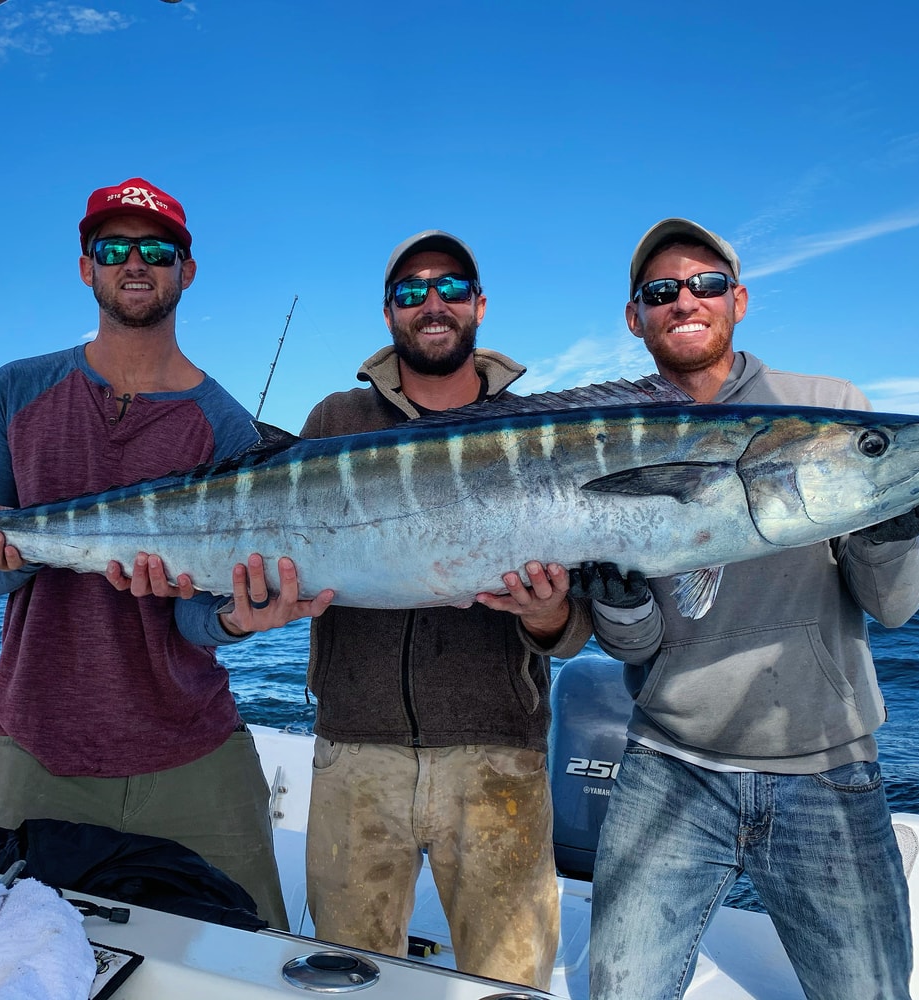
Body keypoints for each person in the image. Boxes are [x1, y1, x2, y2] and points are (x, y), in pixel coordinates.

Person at [0, 177, 333, 930]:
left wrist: (236, 621)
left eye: (156, 249)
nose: (135, 262)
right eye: (113, 247)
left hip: (192, 743)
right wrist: (13, 555)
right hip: (32, 740)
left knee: (256, 953)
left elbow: (196, 618)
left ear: (185, 271)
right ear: (86, 266)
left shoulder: (227, 427)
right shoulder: (13, 389)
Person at [586, 217, 919, 1000]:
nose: (686, 300)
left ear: (738, 300)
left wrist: (887, 536)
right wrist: (620, 606)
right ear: (636, 315)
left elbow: (897, 608)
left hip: (828, 769)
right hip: (669, 764)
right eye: (662, 290)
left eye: (707, 284)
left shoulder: (830, 407)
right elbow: (637, 643)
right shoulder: (607, 433)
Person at [300, 230, 592, 989]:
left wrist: (545, 615)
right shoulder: (335, 419)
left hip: (500, 758)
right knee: (345, 978)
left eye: (450, 288)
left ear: (479, 305)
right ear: (389, 314)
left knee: (511, 983)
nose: (432, 304)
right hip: (353, 755)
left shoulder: (540, 429)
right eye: (410, 292)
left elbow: (572, 629)